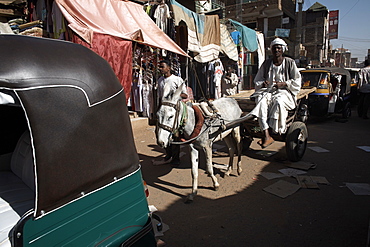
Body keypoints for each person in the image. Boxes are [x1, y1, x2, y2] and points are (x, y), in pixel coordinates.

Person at [250, 38, 301, 148]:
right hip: (269, 91)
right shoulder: (267, 63)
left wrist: (283, 84)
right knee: (261, 101)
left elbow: (297, 80)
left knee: (278, 101)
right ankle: (266, 134)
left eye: (279, 48)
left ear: (283, 50)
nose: (277, 50)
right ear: (271, 50)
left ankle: (275, 130)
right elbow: (258, 80)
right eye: (274, 48)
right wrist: (263, 83)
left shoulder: (289, 63)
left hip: (285, 91)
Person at [153, 60, 188, 166]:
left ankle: (176, 158)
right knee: (160, 131)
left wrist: (175, 95)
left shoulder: (177, 80)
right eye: (160, 67)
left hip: (174, 109)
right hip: (164, 109)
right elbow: (160, 97)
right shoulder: (160, 80)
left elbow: (185, 95)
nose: (160, 69)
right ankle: (168, 154)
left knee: (175, 134)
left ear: (169, 68)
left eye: (162, 67)